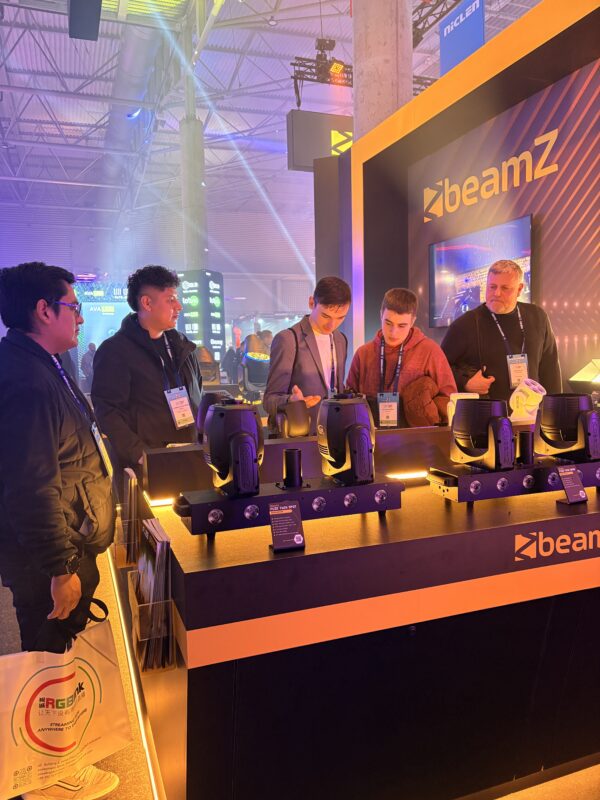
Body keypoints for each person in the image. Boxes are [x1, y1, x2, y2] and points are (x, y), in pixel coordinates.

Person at [0, 262, 118, 800]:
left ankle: (57, 755)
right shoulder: (26, 379)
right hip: (48, 555)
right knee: (46, 658)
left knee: (58, 653)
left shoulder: (44, 364)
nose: (80, 317)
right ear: (43, 311)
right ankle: (50, 775)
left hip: (66, 540)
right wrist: (60, 566)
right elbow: (31, 485)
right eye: (73, 306)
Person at [91, 265, 203, 478]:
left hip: (191, 457)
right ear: (147, 303)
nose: (179, 306)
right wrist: (141, 454)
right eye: (170, 300)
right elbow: (107, 412)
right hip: (147, 466)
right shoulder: (115, 351)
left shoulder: (183, 347)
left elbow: (198, 395)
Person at [441, 260, 561, 402]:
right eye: (492, 287)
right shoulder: (465, 324)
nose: (497, 293)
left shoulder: (538, 317)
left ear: (519, 289)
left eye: (505, 288)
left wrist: (555, 409)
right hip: (487, 412)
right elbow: (440, 367)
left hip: (531, 410)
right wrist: (465, 382)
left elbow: (550, 369)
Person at [346, 288, 456, 427]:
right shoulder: (363, 353)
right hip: (371, 434)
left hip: (416, 435)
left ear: (413, 321)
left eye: (402, 326)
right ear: (381, 315)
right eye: (388, 323)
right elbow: (349, 400)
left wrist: (422, 410)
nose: (393, 332)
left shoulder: (430, 351)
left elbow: (450, 399)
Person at [263, 277, 351, 434]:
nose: (332, 325)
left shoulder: (340, 339)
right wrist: (292, 401)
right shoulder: (288, 339)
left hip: (333, 433)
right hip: (301, 436)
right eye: (325, 316)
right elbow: (269, 400)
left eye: (340, 318)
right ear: (311, 303)